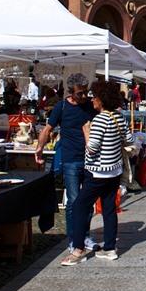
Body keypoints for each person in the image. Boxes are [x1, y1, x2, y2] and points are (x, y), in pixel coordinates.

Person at [62, 80, 133, 266]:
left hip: (97, 172)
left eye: (94, 96)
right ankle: (110, 248)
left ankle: (78, 248)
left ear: (101, 99)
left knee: (79, 207)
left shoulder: (100, 119)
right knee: (109, 209)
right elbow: (129, 139)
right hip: (114, 171)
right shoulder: (119, 117)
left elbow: (92, 149)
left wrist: (87, 131)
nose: (92, 99)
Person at [35, 73, 98, 252]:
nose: (84, 96)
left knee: (88, 201)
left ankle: (84, 235)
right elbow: (48, 129)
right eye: (80, 93)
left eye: (86, 92)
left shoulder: (90, 106)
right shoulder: (61, 107)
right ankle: (73, 238)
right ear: (71, 92)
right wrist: (40, 147)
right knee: (73, 201)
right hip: (70, 159)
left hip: (90, 160)